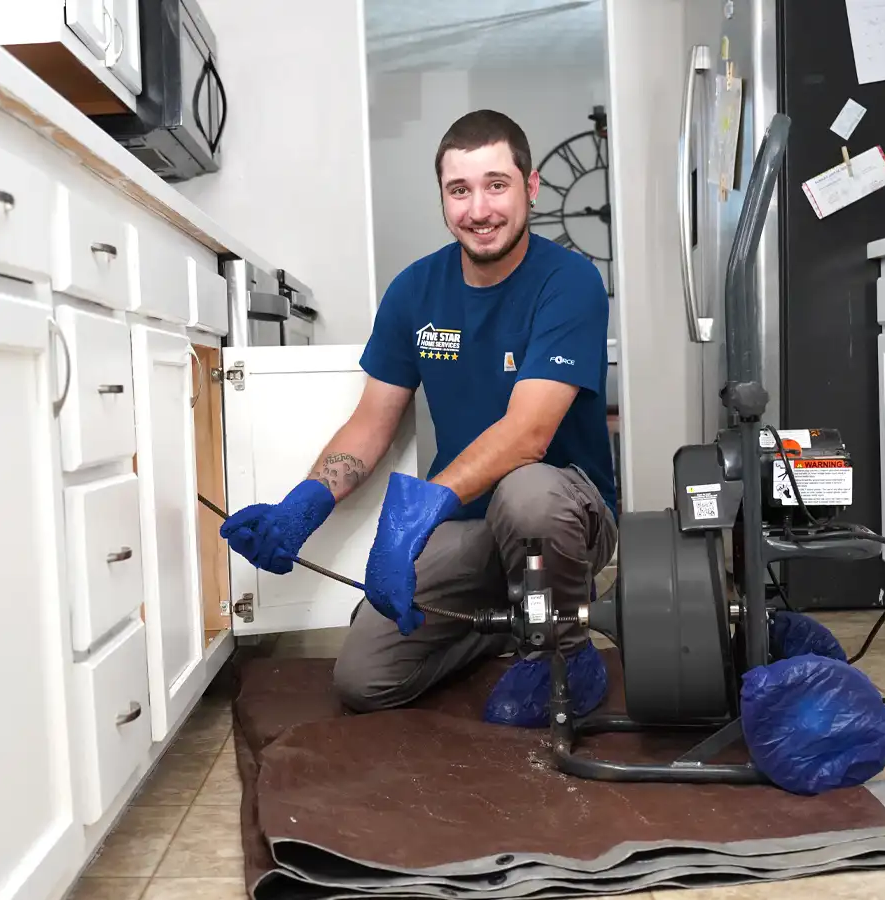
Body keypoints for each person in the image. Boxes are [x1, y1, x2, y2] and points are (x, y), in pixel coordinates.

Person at [220, 110, 617, 728]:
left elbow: (529, 434)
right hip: (468, 521)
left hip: (562, 513)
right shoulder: (415, 291)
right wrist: (302, 506)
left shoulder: (569, 281)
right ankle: (508, 625)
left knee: (526, 492)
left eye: (496, 185)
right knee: (363, 679)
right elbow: (372, 422)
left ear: (530, 188)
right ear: (442, 198)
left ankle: (567, 655)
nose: (478, 209)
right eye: (460, 190)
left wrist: (414, 516)